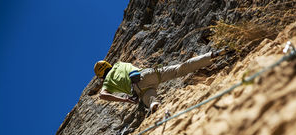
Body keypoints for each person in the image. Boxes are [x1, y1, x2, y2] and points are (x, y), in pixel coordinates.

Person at [94, 48, 229, 113]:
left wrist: (125, 100)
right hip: (145, 74)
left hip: (138, 88)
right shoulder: (118, 64)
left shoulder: (107, 82)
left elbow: (102, 95)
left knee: (151, 101)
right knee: (179, 69)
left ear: (101, 75)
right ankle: (212, 55)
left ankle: (156, 108)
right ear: (108, 65)